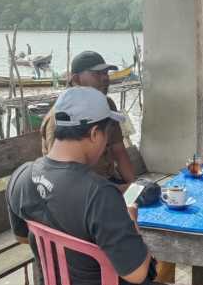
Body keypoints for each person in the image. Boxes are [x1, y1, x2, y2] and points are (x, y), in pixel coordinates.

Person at [8, 87, 203, 285]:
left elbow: (23, 237)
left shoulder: (21, 176)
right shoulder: (99, 193)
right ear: (94, 134)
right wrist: (132, 224)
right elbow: (137, 273)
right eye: (106, 135)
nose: (105, 145)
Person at [41, 51, 136, 191]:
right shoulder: (62, 117)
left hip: (108, 183)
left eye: (106, 73)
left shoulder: (106, 105)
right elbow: (62, 174)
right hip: (78, 191)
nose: (105, 78)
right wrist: (120, 190)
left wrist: (135, 188)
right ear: (76, 79)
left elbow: (119, 150)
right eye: (97, 74)